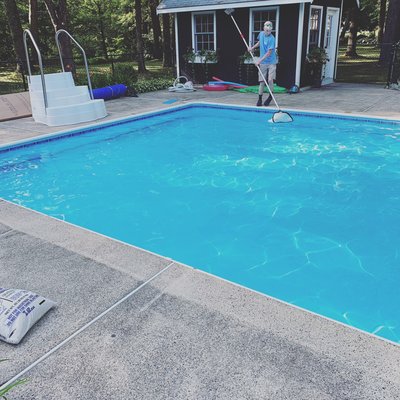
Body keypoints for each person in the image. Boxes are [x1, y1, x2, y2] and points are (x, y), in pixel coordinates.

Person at [248, 21, 277, 107]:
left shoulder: (272, 39)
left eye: (269, 30)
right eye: (266, 29)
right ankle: (260, 99)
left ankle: (270, 97)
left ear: (271, 30)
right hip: (263, 63)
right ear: (264, 29)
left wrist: (259, 61)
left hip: (271, 62)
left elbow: (269, 52)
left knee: (270, 80)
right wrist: (252, 48)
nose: (267, 31)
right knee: (262, 81)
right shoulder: (261, 34)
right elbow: (260, 42)